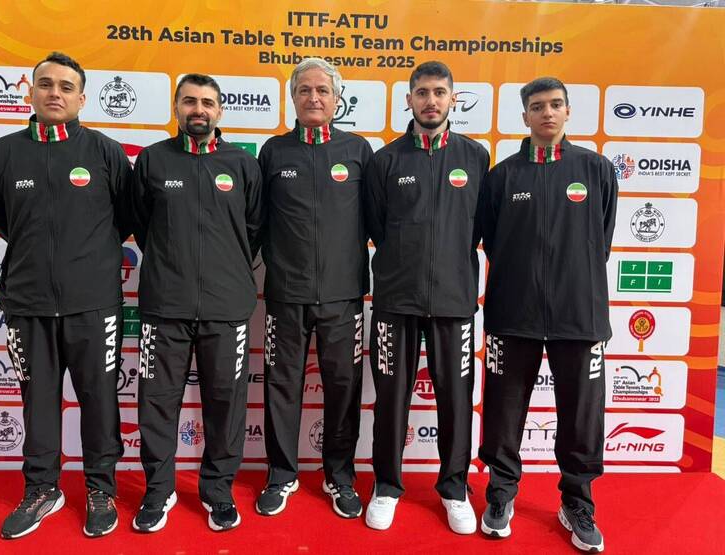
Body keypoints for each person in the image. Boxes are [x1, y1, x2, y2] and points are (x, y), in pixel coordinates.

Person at [0, 51, 130, 539]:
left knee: (100, 401)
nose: (55, 93)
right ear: (31, 92)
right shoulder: (4, 153)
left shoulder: (105, 152)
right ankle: (42, 489)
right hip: (28, 303)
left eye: (66, 87)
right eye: (46, 84)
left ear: (82, 99)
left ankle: (100, 488)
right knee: (38, 401)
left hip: (94, 304)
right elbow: (2, 217)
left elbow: (127, 218)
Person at [478, 76, 617, 553]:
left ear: (568, 111)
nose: (547, 113)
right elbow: (492, 240)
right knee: (503, 410)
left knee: (581, 414)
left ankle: (577, 501)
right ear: (525, 116)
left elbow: (600, 240)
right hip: (512, 312)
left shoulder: (596, 169)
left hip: (579, 315)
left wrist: (570, 280)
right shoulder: (502, 176)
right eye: (537, 106)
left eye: (556, 104)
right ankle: (500, 493)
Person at [129, 73, 262, 532]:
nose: (198, 109)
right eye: (189, 101)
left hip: (228, 308)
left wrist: (225, 271)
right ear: (176, 107)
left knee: (226, 404)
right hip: (164, 306)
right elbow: (142, 225)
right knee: (157, 403)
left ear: (220, 110)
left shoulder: (242, 164)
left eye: (207, 102)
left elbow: (254, 230)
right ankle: (158, 490)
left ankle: (217, 490)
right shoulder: (152, 160)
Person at [364, 61, 489, 533]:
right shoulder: (386, 160)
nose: (430, 101)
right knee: (391, 398)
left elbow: (480, 228)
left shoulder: (475, 157)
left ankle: (455, 488)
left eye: (439, 92)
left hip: (454, 301)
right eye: (422, 92)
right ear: (409, 100)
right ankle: (386, 486)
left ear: (453, 98)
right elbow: (377, 226)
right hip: (396, 300)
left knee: (455, 399)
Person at [256, 57, 372, 519]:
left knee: (343, 387)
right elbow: (258, 221)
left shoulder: (358, 150)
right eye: (304, 90)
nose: (314, 97)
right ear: (292, 97)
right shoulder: (273, 151)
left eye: (323, 90)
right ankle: (281, 474)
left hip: (344, 296)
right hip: (286, 294)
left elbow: (376, 219)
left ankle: (339, 476)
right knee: (282, 386)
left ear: (337, 98)